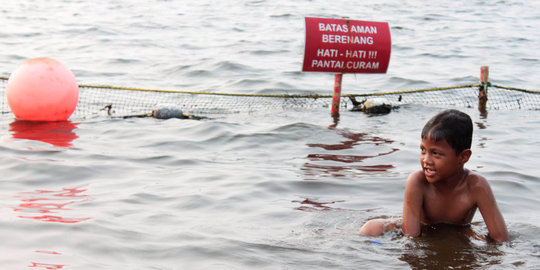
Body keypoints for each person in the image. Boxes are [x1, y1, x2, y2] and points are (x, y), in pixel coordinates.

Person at [359, 109, 509, 242]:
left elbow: (501, 239)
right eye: (423, 150)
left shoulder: (476, 186)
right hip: (420, 228)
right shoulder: (418, 181)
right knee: (370, 228)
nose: (426, 160)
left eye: (436, 153)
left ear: (463, 157)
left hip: (457, 231)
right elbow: (411, 237)